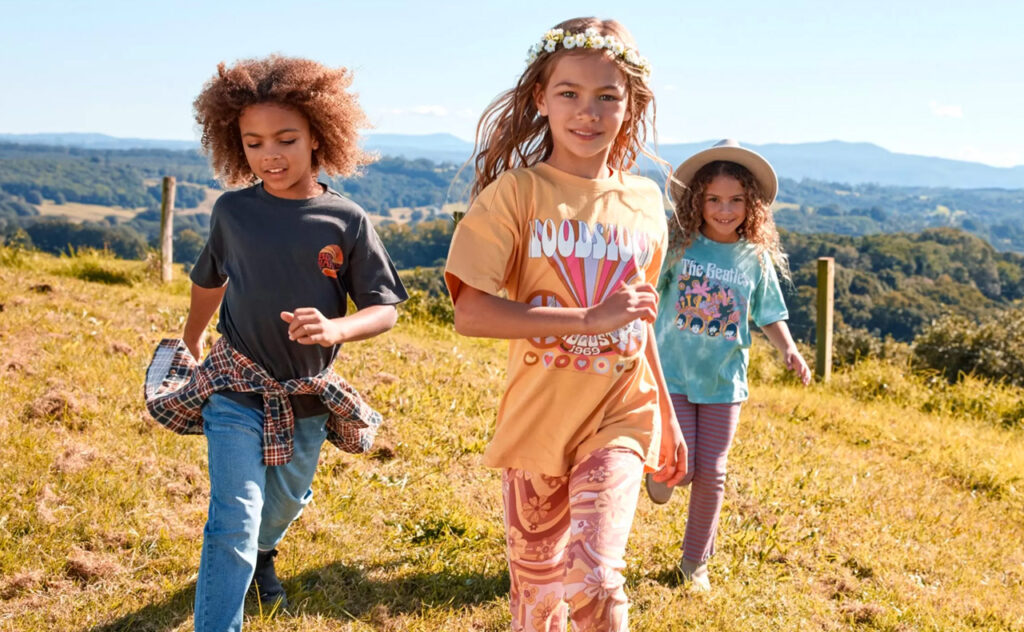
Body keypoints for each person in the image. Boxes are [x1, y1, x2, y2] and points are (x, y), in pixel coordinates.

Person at [145, 55, 408, 631]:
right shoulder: (233, 211)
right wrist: (190, 340)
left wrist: (337, 328)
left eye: (286, 139)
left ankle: (264, 553)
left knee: (282, 501)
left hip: (306, 393)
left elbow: (385, 309)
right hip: (234, 383)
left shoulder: (346, 220)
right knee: (233, 515)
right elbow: (209, 279)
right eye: (253, 142)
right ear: (234, 142)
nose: (270, 155)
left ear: (320, 136)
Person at [444, 18, 686, 632]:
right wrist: (587, 316)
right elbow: (470, 312)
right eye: (570, 94)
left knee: (595, 578)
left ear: (631, 105)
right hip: (539, 418)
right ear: (540, 99)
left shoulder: (646, 201)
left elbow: (641, 316)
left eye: (608, 96)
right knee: (538, 595)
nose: (589, 112)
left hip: (622, 413)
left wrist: (668, 417)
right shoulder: (515, 194)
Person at [646, 139, 812, 592]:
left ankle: (694, 563)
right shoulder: (678, 247)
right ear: (696, 201)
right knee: (686, 466)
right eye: (714, 199)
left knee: (713, 472)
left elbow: (769, 312)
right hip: (673, 375)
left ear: (751, 205)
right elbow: (645, 295)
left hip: (724, 382)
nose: (724, 209)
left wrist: (788, 350)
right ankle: (659, 473)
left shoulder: (753, 257)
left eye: (736, 200)